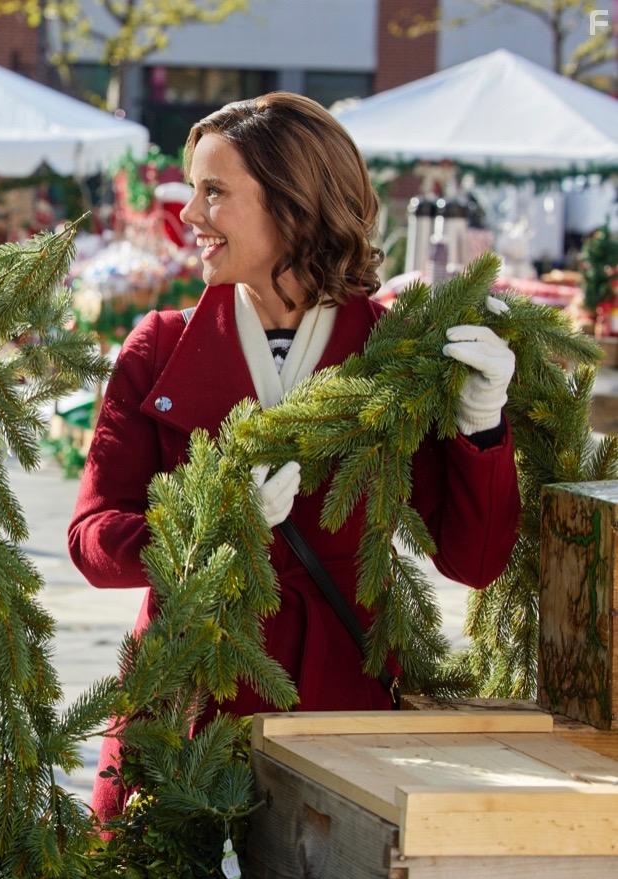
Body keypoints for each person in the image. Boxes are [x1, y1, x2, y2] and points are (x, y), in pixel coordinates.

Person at [67, 93, 521, 825]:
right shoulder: (157, 346)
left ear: (294, 204)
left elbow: (475, 561)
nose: (189, 215)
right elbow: (90, 543)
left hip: (344, 723)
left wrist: (480, 426)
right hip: (183, 723)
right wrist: (206, 525)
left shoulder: (396, 353)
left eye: (213, 191)